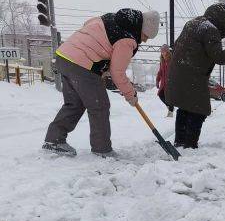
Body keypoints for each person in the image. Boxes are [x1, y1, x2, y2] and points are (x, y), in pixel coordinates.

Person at [43, 8, 160, 157]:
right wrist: (131, 95)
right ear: (142, 29)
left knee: (74, 104)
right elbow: (118, 73)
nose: (144, 40)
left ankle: (54, 139)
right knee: (99, 105)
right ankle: (102, 149)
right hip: (82, 64)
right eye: (146, 36)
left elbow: (88, 25)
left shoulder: (109, 17)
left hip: (63, 56)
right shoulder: (127, 39)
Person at [165, 3, 225, 149]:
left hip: (179, 72)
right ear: (222, 21)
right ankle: (189, 145)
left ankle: (180, 142)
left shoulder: (193, 23)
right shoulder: (210, 29)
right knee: (199, 110)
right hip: (193, 76)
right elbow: (219, 57)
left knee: (185, 108)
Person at [156, 44, 173, 117]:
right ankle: (170, 108)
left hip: (170, 83)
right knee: (160, 95)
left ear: (168, 52)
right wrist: (157, 80)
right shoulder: (162, 61)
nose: (163, 53)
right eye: (162, 52)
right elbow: (160, 72)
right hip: (163, 83)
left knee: (169, 97)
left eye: (164, 51)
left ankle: (170, 112)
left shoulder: (172, 60)